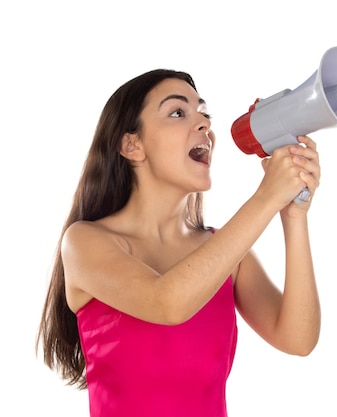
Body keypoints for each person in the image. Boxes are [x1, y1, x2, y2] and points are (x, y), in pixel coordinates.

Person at [37, 68, 322, 417]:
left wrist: (293, 215)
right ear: (132, 145)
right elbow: (167, 303)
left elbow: (297, 338)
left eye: (204, 113)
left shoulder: (229, 254)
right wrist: (265, 198)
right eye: (177, 112)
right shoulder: (84, 242)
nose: (204, 123)